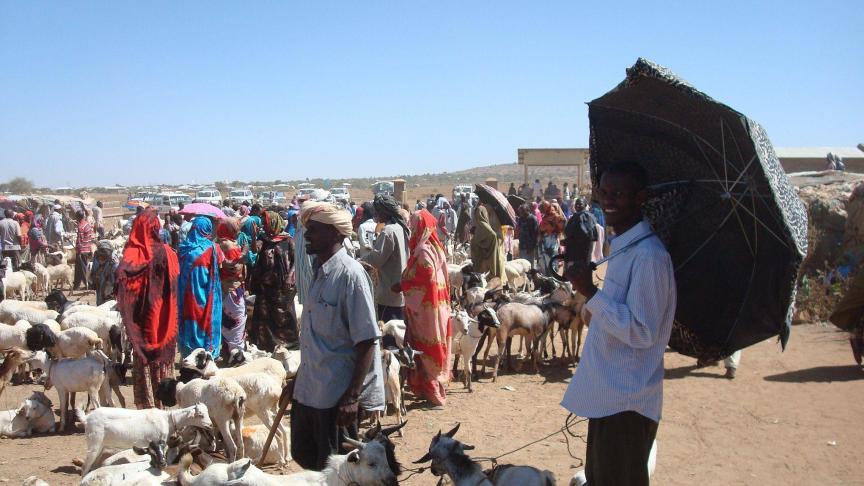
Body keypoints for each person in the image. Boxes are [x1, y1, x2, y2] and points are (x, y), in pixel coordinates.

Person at [561, 161, 676, 486]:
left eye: (619, 194)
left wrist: (592, 293)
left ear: (640, 197)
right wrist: (591, 300)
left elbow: (642, 332)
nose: (608, 200)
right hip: (608, 392)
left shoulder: (649, 257)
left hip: (626, 400)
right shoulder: (624, 247)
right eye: (604, 192)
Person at [292, 202, 384, 471]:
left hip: (335, 397)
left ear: (335, 234)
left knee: (337, 470)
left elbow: (367, 340)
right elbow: (315, 337)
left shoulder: (350, 276)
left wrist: (353, 397)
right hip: (309, 390)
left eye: (314, 230)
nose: (307, 236)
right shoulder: (320, 273)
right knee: (306, 457)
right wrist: (299, 378)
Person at [115, 208, 178, 409]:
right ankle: (165, 401)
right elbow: (175, 280)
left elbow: (121, 282)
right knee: (161, 356)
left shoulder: (131, 254)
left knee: (144, 359)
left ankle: (148, 404)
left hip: (140, 322)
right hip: (163, 317)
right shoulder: (167, 252)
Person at [396, 209, 452, 408]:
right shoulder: (436, 247)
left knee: (427, 348)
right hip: (438, 308)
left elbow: (426, 279)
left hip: (427, 311)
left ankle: (434, 394)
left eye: (414, 224)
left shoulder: (424, 251)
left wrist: (403, 283)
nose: (411, 227)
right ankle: (428, 390)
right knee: (434, 346)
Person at [248, 211, 297, 352]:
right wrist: (253, 236)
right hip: (265, 284)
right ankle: (266, 344)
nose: (264, 225)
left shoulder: (287, 240)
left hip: (281, 285)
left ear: (274, 223)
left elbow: (296, 261)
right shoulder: (263, 238)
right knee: (264, 315)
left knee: (283, 314)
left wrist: (290, 276)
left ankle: (288, 343)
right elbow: (254, 250)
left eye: (266, 222)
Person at [177, 216, 224, 358]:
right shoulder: (212, 248)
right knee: (205, 320)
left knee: (188, 321)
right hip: (205, 294)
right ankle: (205, 355)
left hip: (185, 295)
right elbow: (218, 268)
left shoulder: (183, 248)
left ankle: (188, 353)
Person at [361, 195, 409, 322]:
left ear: (384, 212)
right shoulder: (401, 228)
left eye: (377, 210)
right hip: (402, 289)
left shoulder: (388, 231)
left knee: (389, 334)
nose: (375, 214)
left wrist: (359, 262)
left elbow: (376, 259)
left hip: (389, 292)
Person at [215, 218, 249, 359]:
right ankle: (236, 354)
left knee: (226, 320)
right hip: (233, 289)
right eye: (236, 229)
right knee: (237, 320)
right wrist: (243, 255)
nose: (238, 232)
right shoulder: (230, 246)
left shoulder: (217, 244)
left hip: (222, 288)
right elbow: (236, 268)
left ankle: (226, 350)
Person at [470, 205, 507, 284]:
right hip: (490, 265)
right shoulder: (492, 233)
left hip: (479, 264)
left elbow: (474, 248)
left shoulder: (476, 231)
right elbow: (494, 251)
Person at [538, 201, 565, 275]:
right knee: (544, 260)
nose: (541, 211)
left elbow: (562, 226)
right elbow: (541, 228)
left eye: (542, 209)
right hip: (545, 241)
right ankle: (547, 279)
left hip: (552, 241)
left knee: (552, 259)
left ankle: (553, 279)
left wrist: (551, 227)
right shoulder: (546, 217)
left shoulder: (556, 217)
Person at [90, 241, 118, 305]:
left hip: (110, 279)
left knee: (108, 297)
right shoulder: (96, 256)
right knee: (100, 293)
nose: (101, 258)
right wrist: (94, 281)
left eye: (103, 257)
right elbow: (94, 270)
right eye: (100, 257)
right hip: (100, 277)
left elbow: (115, 277)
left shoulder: (113, 262)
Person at [73, 210, 95, 291]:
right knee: (78, 268)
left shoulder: (80, 226)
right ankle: (76, 285)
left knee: (83, 269)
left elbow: (79, 240)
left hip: (82, 250)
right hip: (88, 248)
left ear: (78, 217)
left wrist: (78, 250)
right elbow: (90, 236)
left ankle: (90, 284)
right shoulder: (87, 224)